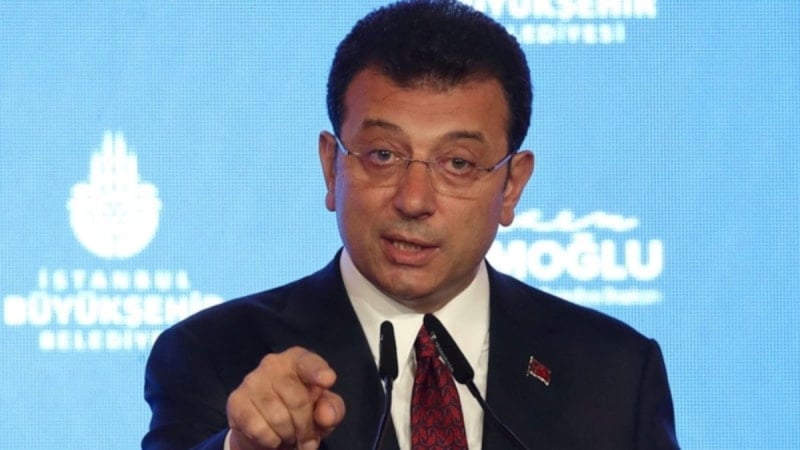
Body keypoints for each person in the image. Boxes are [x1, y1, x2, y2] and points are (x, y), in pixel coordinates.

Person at [142, 1, 679, 449]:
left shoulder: (615, 373)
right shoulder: (215, 355)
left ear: (512, 185)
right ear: (331, 166)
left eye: (458, 163)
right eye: (382, 154)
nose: (414, 200)